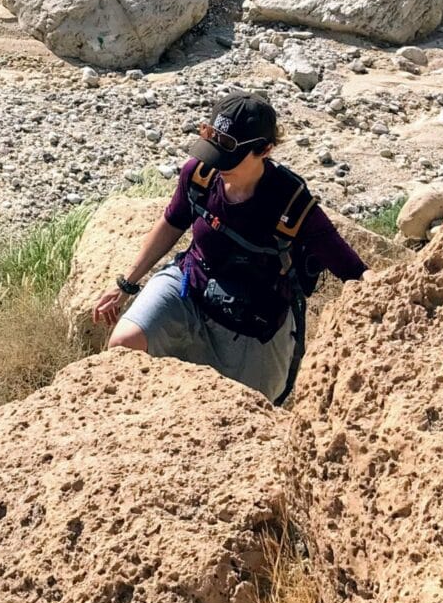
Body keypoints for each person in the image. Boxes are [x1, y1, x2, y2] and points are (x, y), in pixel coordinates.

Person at [91, 90, 365, 404]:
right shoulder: (200, 173)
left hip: (254, 324)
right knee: (125, 345)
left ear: (265, 150)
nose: (216, 163)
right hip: (190, 289)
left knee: (247, 407)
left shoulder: (291, 204)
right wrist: (126, 284)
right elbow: (173, 221)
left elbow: (354, 271)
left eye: (229, 155)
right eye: (213, 144)